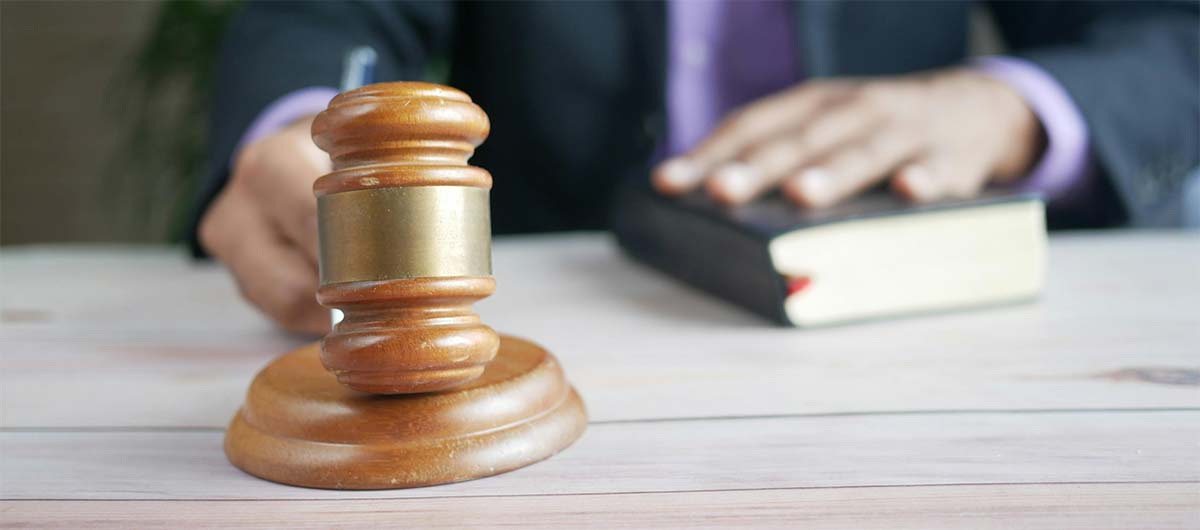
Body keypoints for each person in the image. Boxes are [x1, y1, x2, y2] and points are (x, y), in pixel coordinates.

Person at [193, 1, 1199, 335]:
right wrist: (297, 138)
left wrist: (1013, 107)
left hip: (912, 325)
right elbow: (325, 18)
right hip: (558, 298)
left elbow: (1168, 34)